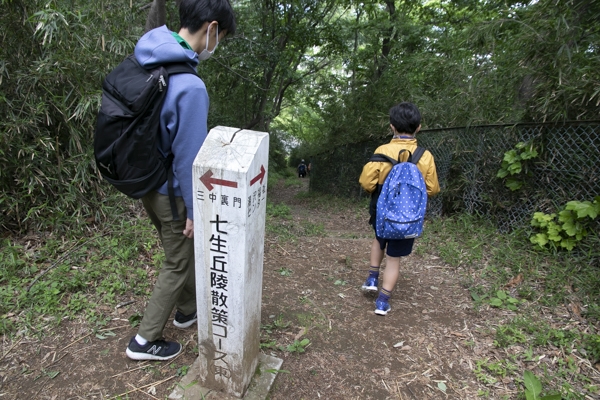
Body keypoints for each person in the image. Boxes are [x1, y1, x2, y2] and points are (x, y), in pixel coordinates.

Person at [125, 0, 236, 361]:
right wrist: (194, 208)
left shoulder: (149, 55)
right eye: (221, 36)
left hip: (146, 182)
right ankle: (144, 341)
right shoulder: (190, 86)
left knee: (178, 252)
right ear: (212, 28)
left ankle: (187, 310)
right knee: (176, 262)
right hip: (171, 191)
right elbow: (189, 158)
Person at [358, 102, 440, 315]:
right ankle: (383, 302)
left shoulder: (382, 151)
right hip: (408, 214)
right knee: (394, 258)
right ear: (419, 127)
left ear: (392, 126)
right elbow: (432, 188)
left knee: (379, 238)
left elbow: (367, 183)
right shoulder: (425, 156)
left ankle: (372, 278)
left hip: (382, 207)